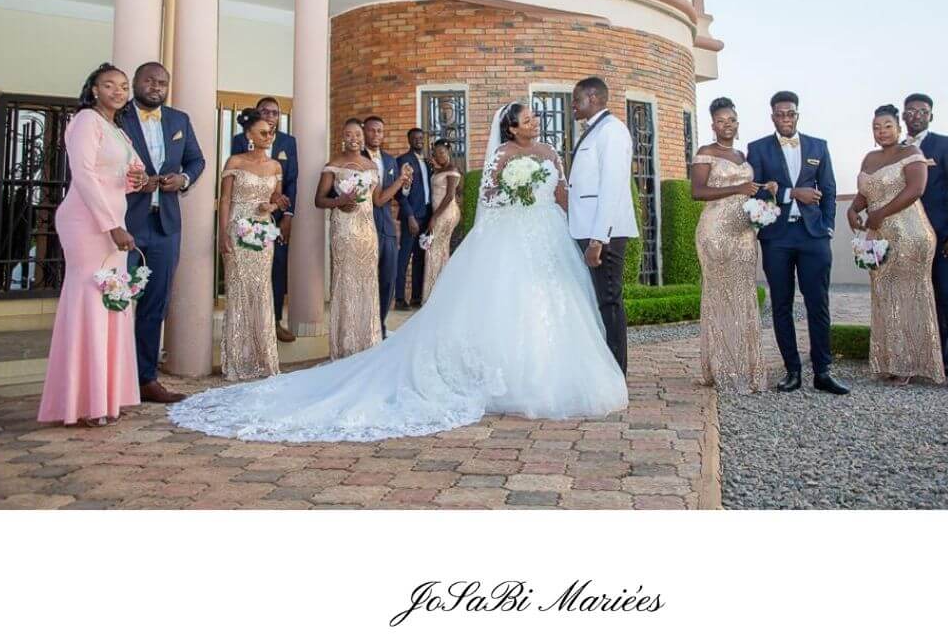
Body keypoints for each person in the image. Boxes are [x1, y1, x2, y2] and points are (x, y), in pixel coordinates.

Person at [168, 102, 627, 442]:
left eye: (535, 120)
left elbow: (563, 193)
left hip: (546, 234)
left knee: (552, 304)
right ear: (510, 126)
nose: (535, 124)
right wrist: (516, 201)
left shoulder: (550, 153)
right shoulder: (501, 155)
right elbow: (487, 199)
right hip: (511, 233)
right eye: (528, 118)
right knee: (506, 302)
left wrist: (583, 233)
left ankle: (545, 372)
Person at [38, 64, 147, 426]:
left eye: (123, 86)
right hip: (87, 222)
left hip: (113, 221)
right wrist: (112, 225)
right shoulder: (85, 120)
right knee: (89, 301)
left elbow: (126, 176)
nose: (118, 91)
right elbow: (84, 176)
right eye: (109, 85)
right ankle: (80, 403)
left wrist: (137, 178)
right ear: (94, 89)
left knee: (112, 304)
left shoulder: (117, 129)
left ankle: (105, 398)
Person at [747, 91, 849, 394]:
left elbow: (828, 189)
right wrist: (792, 193)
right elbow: (755, 192)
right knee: (781, 304)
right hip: (776, 237)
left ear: (797, 115)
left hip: (812, 235)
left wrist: (828, 226)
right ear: (772, 117)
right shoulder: (758, 149)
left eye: (790, 113)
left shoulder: (818, 146)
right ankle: (792, 370)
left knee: (818, 303)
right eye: (780, 114)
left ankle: (823, 371)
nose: (785, 119)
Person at [121, 61, 205, 404]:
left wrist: (182, 179)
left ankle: (145, 379)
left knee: (155, 304)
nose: (156, 86)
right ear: (135, 83)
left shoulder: (178, 120)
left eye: (162, 82)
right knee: (117, 302)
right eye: (149, 80)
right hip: (124, 225)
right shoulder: (117, 117)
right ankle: (114, 378)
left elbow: (196, 160)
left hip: (166, 225)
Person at [848, 105, 945, 385]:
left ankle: (913, 364)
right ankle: (890, 360)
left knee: (909, 297)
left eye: (888, 126)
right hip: (878, 237)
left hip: (910, 234)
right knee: (884, 297)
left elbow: (916, 189)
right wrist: (854, 209)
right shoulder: (869, 158)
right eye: (877, 127)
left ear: (899, 128)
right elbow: (867, 192)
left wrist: (881, 213)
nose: (882, 131)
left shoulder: (911, 154)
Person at [690, 98, 770, 393]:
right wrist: (738, 187)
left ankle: (747, 367)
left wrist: (765, 190)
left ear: (738, 123)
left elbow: (748, 192)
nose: (728, 125)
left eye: (732, 120)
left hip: (744, 234)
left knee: (743, 296)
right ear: (713, 125)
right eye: (722, 121)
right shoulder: (705, 153)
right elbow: (697, 192)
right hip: (716, 232)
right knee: (720, 297)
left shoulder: (742, 154)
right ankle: (722, 368)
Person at [315, 118, 411, 359]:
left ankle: (367, 339)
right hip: (344, 230)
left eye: (358, 134)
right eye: (350, 134)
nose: (354, 138)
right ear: (342, 137)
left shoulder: (370, 166)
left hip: (367, 231)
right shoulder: (333, 165)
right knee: (346, 282)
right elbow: (319, 200)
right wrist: (338, 202)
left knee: (368, 283)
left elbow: (378, 200)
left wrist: (400, 181)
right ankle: (344, 342)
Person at [902, 93, 948, 389]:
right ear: (904, 116)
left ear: (931, 116)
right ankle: (935, 359)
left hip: (944, 235)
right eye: (911, 111)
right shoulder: (897, 149)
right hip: (909, 237)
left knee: (947, 295)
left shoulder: (944, 145)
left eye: (923, 111)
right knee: (921, 298)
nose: (917, 115)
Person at [567, 76, 639, 375]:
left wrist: (598, 240)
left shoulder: (612, 131)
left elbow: (612, 186)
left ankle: (616, 372)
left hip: (604, 233)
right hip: (588, 229)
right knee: (597, 300)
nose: (572, 104)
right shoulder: (595, 130)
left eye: (576, 99)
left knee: (609, 300)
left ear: (593, 97)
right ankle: (603, 368)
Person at [218, 110, 284, 381]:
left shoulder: (275, 167)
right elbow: (224, 200)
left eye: (271, 131)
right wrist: (222, 233)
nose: (268, 136)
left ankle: (263, 357)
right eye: (263, 132)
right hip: (237, 228)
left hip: (263, 230)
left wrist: (273, 204)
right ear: (248, 135)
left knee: (261, 289)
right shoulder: (235, 161)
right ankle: (237, 358)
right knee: (239, 290)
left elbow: (278, 197)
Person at [230, 97, 297, 343]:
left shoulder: (289, 142)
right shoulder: (240, 141)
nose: (270, 116)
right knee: (246, 274)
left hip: (276, 218)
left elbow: (292, 181)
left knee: (277, 269)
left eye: (274, 112)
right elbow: (236, 180)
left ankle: (274, 321)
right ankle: (246, 325)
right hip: (246, 218)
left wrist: (287, 216)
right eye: (264, 111)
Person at [361, 115, 400, 338]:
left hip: (386, 226)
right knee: (366, 278)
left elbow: (397, 196)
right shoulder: (357, 158)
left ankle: (380, 325)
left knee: (388, 278)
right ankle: (365, 326)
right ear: (364, 131)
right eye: (372, 130)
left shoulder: (390, 160)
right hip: (363, 224)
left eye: (380, 131)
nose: (376, 135)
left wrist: (403, 187)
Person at [421, 139, 462, 303]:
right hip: (440, 213)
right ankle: (442, 294)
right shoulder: (440, 169)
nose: (440, 156)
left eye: (442, 153)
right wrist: (435, 168)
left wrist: (434, 217)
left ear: (448, 153)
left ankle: (431, 296)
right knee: (440, 251)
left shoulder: (452, 169)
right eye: (437, 154)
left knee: (433, 251)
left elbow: (450, 195)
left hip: (445, 213)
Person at [395, 127, 431, 309]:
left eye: (420, 138)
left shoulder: (426, 162)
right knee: (404, 257)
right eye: (415, 138)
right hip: (412, 217)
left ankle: (416, 297)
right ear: (409, 141)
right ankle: (400, 299)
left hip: (426, 215)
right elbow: (400, 194)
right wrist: (409, 216)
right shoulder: (403, 160)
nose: (418, 140)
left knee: (420, 257)